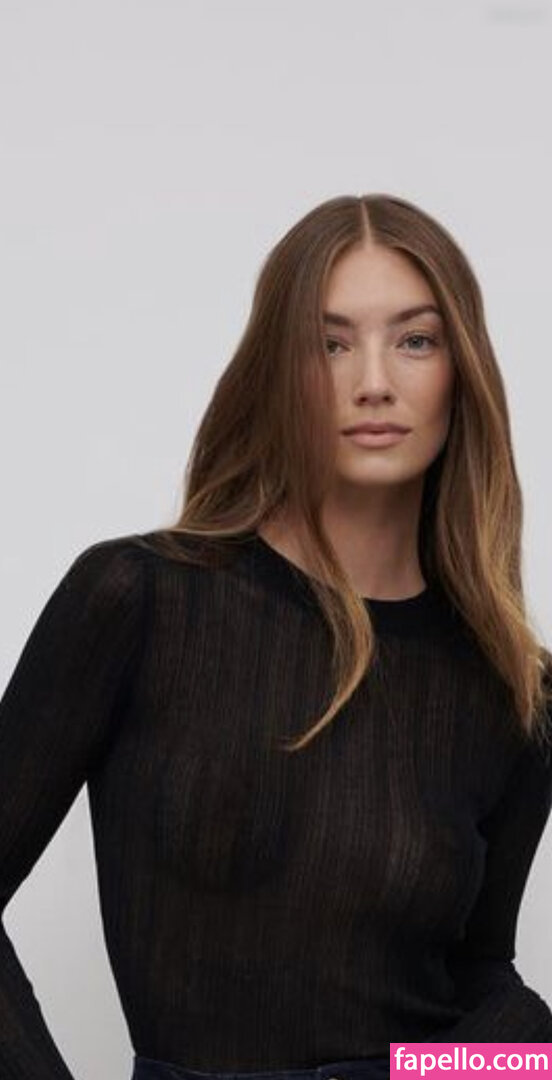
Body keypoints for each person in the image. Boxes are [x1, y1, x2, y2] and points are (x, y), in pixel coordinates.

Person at [1, 193, 552, 1080]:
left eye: (416, 340)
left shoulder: (512, 686)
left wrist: (521, 1056)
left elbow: (483, 974)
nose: (373, 381)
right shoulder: (140, 600)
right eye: (329, 344)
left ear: (463, 369)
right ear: (278, 372)